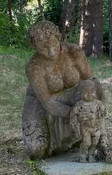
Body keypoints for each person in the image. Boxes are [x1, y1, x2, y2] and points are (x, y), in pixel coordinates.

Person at [21, 21, 105, 159]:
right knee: (37, 150)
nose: (51, 52)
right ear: (33, 46)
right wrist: (78, 114)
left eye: (53, 44)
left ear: (59, 38)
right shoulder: (34, 67)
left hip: (73, 98)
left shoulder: (74, 52)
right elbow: (48, 103)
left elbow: (92, 82)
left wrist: (100, 108)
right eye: (43, 47)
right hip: (41, 105)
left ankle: (81, 137)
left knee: (87, 93)